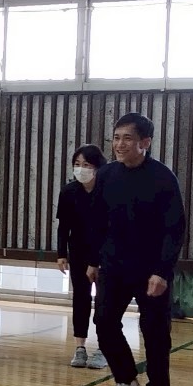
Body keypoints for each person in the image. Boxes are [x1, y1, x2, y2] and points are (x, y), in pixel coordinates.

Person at [87, 113, 185, 386]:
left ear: (145, 142)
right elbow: (97, 221)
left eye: (127, 138)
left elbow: (174, 229)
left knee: (154, 331)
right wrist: (93, 260)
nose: (119, 144)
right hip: (114, 265)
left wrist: (162, 271)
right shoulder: (106, 175)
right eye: (116, 138)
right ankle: (126, 382)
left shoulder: (163, 178)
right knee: (104, 322)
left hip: (151, 269)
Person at [57, 144, 108, 370]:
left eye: (86, 164)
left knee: (104, 300)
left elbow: (106, 228)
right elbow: (63, 226)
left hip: (104, 253)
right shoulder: (69, 192)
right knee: (81, 298)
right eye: (77, 164)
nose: (81, 169)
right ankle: (80, 347)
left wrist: (95, 262)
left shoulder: (107, 191)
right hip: (78, 251)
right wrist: (61, 254)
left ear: (97, 167)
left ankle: (104, 347)